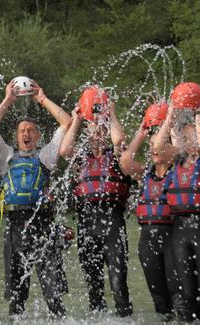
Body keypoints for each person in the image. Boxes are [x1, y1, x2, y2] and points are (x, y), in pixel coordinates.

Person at [0, 79, 71, 317]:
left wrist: (41, 99)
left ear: (38, 135)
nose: (26, 133)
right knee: (16, 300)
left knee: (53, 296)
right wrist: (8, 101)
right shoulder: (6, 156)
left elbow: (66, 122)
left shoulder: (46, 156)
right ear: (16, 135)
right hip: (15, 229)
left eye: (31, 130)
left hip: (43, 227)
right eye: (22, 130)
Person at [153, 82, 200, 324]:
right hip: (180, 231)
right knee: (188, 298)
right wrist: (172, 113)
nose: (187, 135)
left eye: (191, 132)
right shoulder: (175, 161)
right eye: (183, 132)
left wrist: (196, 114)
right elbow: (156, 146)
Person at [59, 86, 133, 317]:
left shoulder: (118, 156)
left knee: (118, 282)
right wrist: (78, 119)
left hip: (113, 222)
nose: (97, 132)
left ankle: (125, 319)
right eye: (94, 128)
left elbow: (120, 140)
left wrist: (110, 115)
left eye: (101, 128)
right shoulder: (81, 157)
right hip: (87, 223)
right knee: (94, 285)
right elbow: (64, 150)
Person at [119, 102, 179, 320]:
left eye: (160, 145)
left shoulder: (180, 168)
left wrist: (170, 121)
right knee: (159, 298)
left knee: (178, 294)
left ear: (172, 147)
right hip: (148, 240)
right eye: (152, 145)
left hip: (173, 237)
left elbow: (168, 143)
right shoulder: (145, 173)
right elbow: (125, 162)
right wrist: (143, 131)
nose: (155, 149)